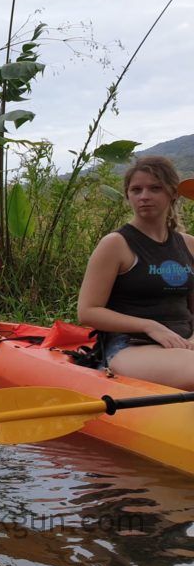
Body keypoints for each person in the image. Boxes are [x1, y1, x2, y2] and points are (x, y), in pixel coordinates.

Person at [77, 155, 194, 390]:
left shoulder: (189, 245)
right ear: (128, 195)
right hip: (132, 346)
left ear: (173, 193)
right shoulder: (116, 244)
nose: (144, 196)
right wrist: (150, 326)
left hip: (185, 343)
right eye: (136, 190)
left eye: (155, 188)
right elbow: (88, 312)